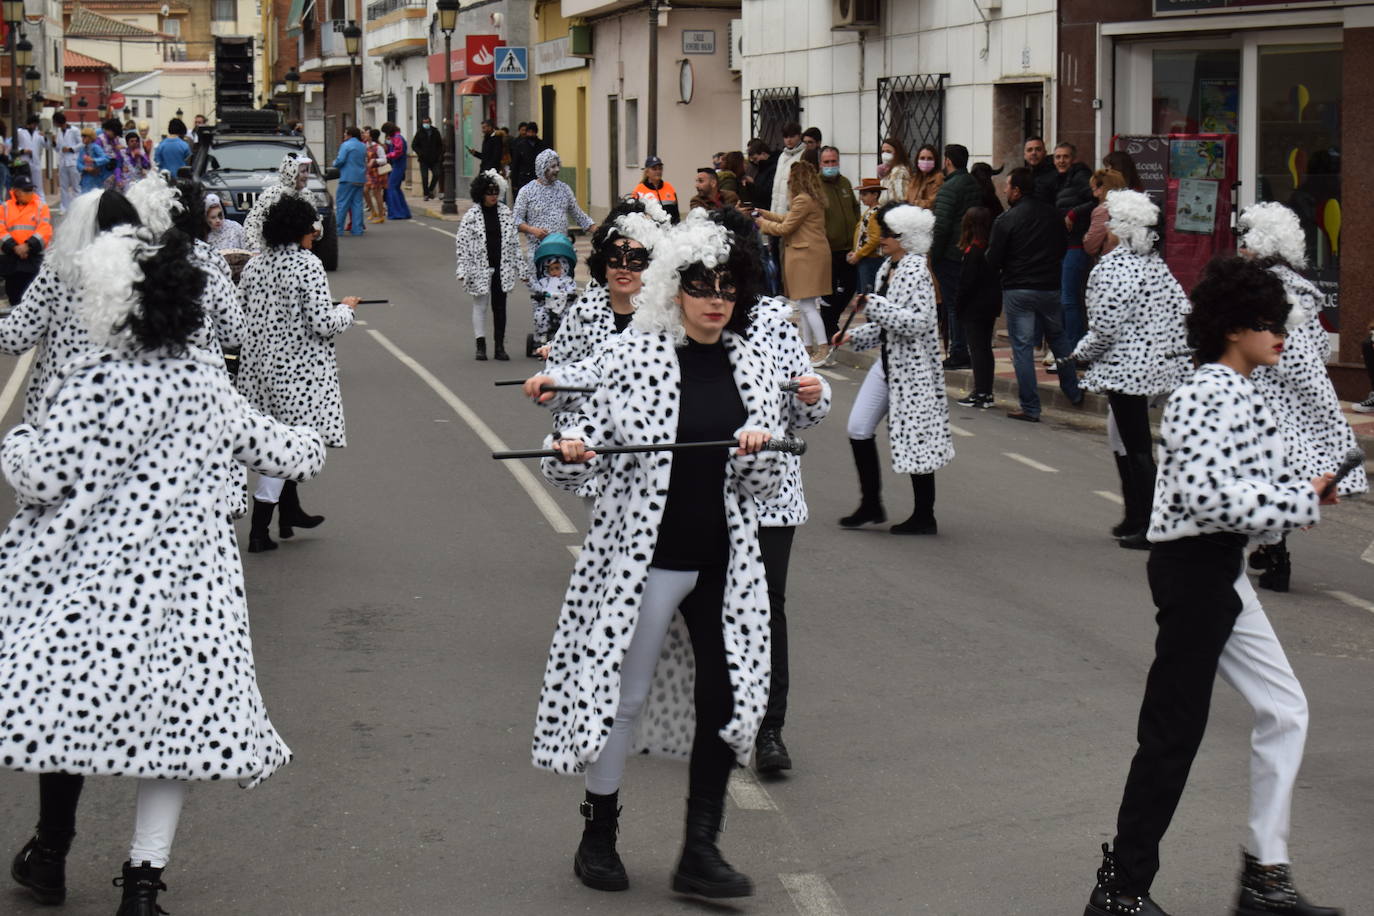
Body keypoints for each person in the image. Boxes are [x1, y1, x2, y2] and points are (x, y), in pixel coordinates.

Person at [1, 224, 325, 916]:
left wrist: (20, 436)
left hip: (97, 579)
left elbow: (41, 474)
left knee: (78, 703)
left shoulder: (95, 381)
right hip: (192, 587)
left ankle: (51, 850)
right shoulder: (208, 384)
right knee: (176, 729)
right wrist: (309, 435)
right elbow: (284, 452)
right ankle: (143, 886)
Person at [527, 209, 782, 901]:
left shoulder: (751, 364)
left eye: (728, 287)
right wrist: (570, 449)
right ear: (674, 288)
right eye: (701, 285)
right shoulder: (633, 355)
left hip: (724, 564)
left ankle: (700, 850)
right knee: (624, 698)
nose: (715, 299)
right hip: (646, 561)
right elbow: (577, 447)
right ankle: (597, 832)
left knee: (728, 702)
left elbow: (768, 484)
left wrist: (759, 453)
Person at [1084, 256, 1342, 916]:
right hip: (1195, 569)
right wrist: (1296, 506)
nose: (1283, 333)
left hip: (1218, 568)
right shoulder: (1206, 391)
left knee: (1283, 711)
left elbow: (1255, 484)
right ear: (1233, 327)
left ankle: (1264, 879)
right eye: (1269, 322)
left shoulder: (1241, 388)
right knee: (1172, 732)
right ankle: (1122, 890)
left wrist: (1303, 491)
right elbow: (1205, 497)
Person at [1240, 202, 1368, 591]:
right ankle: (1268, 550)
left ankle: (1276, 557)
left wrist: (1322, 403)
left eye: (1247, 235)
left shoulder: (1274, 289)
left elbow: (1296, 357)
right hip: (1272, 397)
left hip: (1271, 399)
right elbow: (1319, 349)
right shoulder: (1289, 284)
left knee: (1268, 474)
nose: (1241, 242)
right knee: (1272, 475)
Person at [236, 194, 359, 552]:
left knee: (273, 441)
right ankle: (261, 529)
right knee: (288, 447)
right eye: (311, 227)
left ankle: (289, 514)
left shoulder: (256, 267)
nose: (314, 233)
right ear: (300, 229)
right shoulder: (307, 265)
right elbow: (322, 323)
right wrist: (347, 311)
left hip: (258, 371)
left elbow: (242, 317)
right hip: (298, 372)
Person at [1069, 190, 1191, 549]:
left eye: (1110, 221)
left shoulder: (1113, 267)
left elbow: (1104, 328)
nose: (1105, 227)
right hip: (1156, 367)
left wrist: (1078, 354)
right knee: (1123, 439)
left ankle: (1150, 523)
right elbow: (1182, 311)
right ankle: (1134, 516)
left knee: (1135, 445)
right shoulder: (1156, 264)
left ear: (1121, 227)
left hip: (1126, 370)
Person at [834, 203, 954, 533]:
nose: (881, 239)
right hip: (888, 364)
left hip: (913, 369)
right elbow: (887, 322)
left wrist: (875, 305)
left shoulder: (916, 270)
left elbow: (917, 323)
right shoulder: (887, 266)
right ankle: (870, 503)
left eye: (886, 233)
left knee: (918, 440)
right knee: (858, 427)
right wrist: (852, 337)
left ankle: (924, 515)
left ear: (904, 236)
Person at [986, 166, 1081, 421]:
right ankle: (1073, 390)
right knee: (1059, 339)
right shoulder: (1053, 215)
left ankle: (1030, 406)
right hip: (1050, 286)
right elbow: (1063, 247)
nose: (1005, 191)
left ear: (1016, 191)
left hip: (1019, 288)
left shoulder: (1007, 220)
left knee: (1023, 348)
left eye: (1007, 187)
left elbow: (993, 258)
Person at [755, 160, 832, 366]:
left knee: (807, 305)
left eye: (790, 177)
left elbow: (785, 228)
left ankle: (822, 348)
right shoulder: (808, 199)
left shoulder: (803, 200)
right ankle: (807, 348)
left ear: (797, 179)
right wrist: (763, 213)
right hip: (809, 255)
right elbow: (787, 218)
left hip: (807, 256)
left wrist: (761, 223)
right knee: (806, 304)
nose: (788, 180)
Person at [455, 171, 526, 361]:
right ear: (481, 193)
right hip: (479, 268)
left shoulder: (505, 213)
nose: (493, 196)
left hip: (502, 268)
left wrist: (521, 269)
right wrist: (462, 269)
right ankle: (481, 345)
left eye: (496, 191)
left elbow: (514, 243)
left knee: (500, 307)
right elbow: (462, 244)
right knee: (480, 305)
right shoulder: (471, 216)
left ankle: (500, 346)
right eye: (489, 192)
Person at [929, 144, 984, 370]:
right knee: (966, 303)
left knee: (953, 304)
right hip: (970, 251)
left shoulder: (949, 188)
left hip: (951, 253)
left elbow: (941, 225)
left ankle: (958, 350)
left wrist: (935, 255)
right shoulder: (973, 184)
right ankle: (967, 348)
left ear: (948, 161)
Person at [513, 148, 594, 269]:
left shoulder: (564, 189)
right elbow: (515, 220)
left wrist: (600, 231)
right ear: (542, 168)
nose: (557, 170)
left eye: (558, 165)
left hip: (561, 250)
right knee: (542, 287)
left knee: (563, 286)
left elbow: (579, 215)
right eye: (552, 166)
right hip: (538, 251)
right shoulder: (527, 191)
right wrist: (532, 230)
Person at [952, 207, 1000, 409]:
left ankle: (981, 392)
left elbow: (966, 283)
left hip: (974, 308)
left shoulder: (973, 251)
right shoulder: (990, 247)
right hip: (989, 305)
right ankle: (986, 391)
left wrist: (958, 306)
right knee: (985, 350)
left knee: (978, 350)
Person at [1054, 142, 1094, 347]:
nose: (1061, 161)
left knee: (1069, 299)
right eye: (1058, 157)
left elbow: (1095, 200)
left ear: (1073, 158)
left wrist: (1073, 213)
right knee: (1066, 298)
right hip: (1064, 244)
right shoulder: (1061, 180)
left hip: (1076, 244)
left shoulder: (1080, 177)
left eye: (1066, 157)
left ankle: (1074, 346)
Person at [817, 145, 858, 344]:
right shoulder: (816, 186)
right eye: (827, 162)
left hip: (848, 248)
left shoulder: (845, 183)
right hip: (827, 249)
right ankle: (829, 326)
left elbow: (854, 209)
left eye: (834, 161)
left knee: (850, 287)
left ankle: (831, 320)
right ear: (820, 164)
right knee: (829, 291)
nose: (831, 165)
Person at [242, 153, 314, 252]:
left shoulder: (307, 195)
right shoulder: (271, 194)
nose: (306, 175)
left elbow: (315, 227)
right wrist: (255, 248)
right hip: (271, 253)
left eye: (307, 171)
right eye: (303, 171)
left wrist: (316, 230)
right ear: (291, 172)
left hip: (299, 254)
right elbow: (252, 223)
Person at [0, 172, 52, 305]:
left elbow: (45, 230)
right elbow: (1, 230)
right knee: (14, 298)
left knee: (36, 300)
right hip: (11, 260)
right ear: (16, 192)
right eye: (26, 190)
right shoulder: (4, 208)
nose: (30, 193)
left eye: (31, 190)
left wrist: (27, 246)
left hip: (33, 259)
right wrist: (14, 247)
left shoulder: (41, 207)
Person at [527, 231, 579, 355]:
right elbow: (538, 289)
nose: (554, 271)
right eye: (551, 269)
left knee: (569, 317)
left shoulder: (567, 281)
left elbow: (572, 289)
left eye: (557, 268)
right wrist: (536, 291)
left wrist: (570, 294)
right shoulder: (544, 281)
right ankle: (542, 337)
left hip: (563, 306)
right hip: (547, 306)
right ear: (547, 270)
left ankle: (566, 338)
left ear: (563, 267)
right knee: (540, 315)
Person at [848, 177, 886, 295]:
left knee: (868, 294)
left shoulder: (875, 213)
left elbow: (874, 240)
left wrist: (858, 254)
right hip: (866, 258)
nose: (861, 197)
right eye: (861, 194)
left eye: (864, 194)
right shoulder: (871, 211)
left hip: (870, 259)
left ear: (875, 195)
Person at [1083, 168, 1128, 258]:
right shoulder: (1131, 207)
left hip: (1112, 262)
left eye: (1093, 188)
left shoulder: (1102, 211)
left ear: (1101, 188)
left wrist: (1086, 237)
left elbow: (1091, 246)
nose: (1093, 193)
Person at [333, 125, 367, 237]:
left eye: (345, 133)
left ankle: (339, 229)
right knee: (357, 204)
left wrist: (334, 163)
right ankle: (357, 229)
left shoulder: (345, 145)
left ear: (350, 134)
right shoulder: (362, 146)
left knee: (342, 203)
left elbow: (340, 160)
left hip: (347, 177)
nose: (344, 135)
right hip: (360, 177)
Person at [769, 122, 806, 216]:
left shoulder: (804, 154)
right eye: (786, 137)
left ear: (799, 136)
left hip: (793, 209)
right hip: (777, 210)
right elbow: (776, 186)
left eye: (792, 136)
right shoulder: (782, 156)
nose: (789, 140)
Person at [632, 155, 680, 223]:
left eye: (660, 168)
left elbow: (676, 214)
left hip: (670, 230)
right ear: (647, 172)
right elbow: (634, 215)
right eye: (654, 169)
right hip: (650, 231)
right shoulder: (638, 190)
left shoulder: (669, 187)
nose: (658, 171)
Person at [381, 122, 412, 220]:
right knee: (396, 188)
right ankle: (403, 211)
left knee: (391, 187)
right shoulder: (398, 137)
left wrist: (387, 156)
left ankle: (397, 212)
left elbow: (398, 151)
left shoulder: (397, 138)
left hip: (398, 165)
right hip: (399, 165)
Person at [53, 112, 81, 213]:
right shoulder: (59, 132)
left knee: (75, 186)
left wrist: (70, 149)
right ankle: (64, 207)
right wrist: (53, 142)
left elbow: (81, 143)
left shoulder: (74, 130)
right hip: (62, 162)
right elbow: (58, 149)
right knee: (63, 186)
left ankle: (78, 207)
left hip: (73, 161)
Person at [17, 115, 48, 201]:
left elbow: (47, 146)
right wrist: (23, 151)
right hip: (24, 162)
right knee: (25, 185)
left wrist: (45, 137)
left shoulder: (38, 134)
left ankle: (42, 205)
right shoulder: (20, 132)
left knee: (38, 186)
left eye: (36, 125)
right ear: (29, 124)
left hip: (36, 162)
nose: (35, 126)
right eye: (34, 124)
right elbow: (14, 146)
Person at [412, 115, 443, 200]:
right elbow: (414, 145)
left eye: (427, 122)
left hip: (434, 158)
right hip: (423, 159)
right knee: (424, 177)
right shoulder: (419, 132)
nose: (426, 124)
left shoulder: (435, 131)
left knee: (437, 174)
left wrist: (438, 154)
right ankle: (426, 194)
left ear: (430, 122)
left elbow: (440, 145)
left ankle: (430, 190)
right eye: (424, 122)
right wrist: (420, 153)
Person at [744, 138, 778, 216]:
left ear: (763, 154)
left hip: (767, 209)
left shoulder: (772, 168)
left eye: (755, 158)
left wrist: (753, 183)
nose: (754, 161)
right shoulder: (762, 167)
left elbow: (767, 191)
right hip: (761, 208)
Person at [878, 136, 912, 206]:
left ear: (897, 153)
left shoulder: (900, 172)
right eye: (883, 151)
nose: (884, 154)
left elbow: (901, 198)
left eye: (888, 151)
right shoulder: (888, 172)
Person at [907, 143, 943, 209]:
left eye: (930, 158)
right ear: (917, 160)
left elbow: (933, 203)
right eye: (922, 158)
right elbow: (907, 198)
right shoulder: (914, 178)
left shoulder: (939, 178)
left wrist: (915, 203)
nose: (925, 161)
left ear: (935, 161)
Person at [1022, 136, 1057, 204]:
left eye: (1038, 149)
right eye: (1029, 150)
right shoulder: (1022, 177)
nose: (1034, 153)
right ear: (1025, 156)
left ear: (1045, 153)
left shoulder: (1056, 174)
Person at [364, 127, 388, 223]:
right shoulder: (365, 146)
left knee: (377, 193)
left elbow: (384, 160)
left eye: (366, 133)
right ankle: (373, 211)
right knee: (365, 191)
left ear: (371, 136)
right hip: (368, 172)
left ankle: (381, 215)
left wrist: (374, 160)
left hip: (376, 173)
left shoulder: (378, 147)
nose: (365, 135)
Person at [78, 128, 111, 194]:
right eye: (82, 136)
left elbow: (106, 158)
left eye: (85, 136)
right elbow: (78, 163)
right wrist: (85, 168)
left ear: (90, 137)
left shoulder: (96, 147)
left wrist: (93, 160)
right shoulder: (82, 149)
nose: (83, 138)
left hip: (96, 178)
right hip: (86, 177)